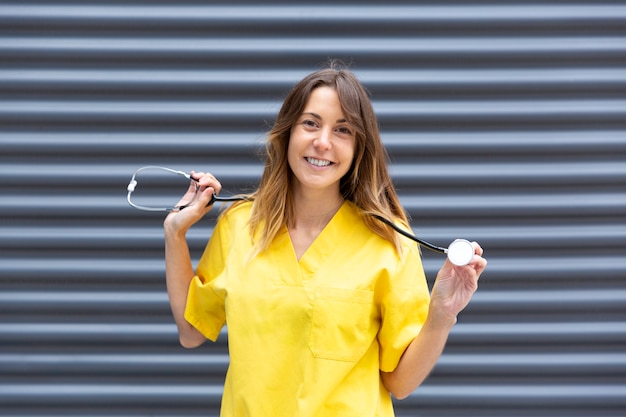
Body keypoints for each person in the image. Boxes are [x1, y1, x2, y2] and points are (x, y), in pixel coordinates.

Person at [163, 62, 487, 416]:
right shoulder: (239, 225)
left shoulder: (388, 241)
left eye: (343, 130)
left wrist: (441, 314)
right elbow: (192, 330)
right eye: (310, 123)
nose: (322, 142)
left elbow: (400, 382)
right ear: (287, 132)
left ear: (358, 147)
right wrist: (175, 233)